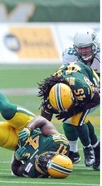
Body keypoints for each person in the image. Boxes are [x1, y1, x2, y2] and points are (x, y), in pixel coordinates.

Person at [38, 61, 100, 170]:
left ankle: (89, 148)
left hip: (93, 85)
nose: (64, 110)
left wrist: (74, 110)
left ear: (73, 96)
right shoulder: (49, 95)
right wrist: (39, 143)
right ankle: (74, 152)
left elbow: (96, 99)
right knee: (68, 120)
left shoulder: (82, 89)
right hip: (69, 78)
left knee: (77, 120)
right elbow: (43, 121)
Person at [60, 28, 100, 169]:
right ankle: (93, 150)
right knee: (69, 116)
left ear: (94, 45)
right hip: (79, 88)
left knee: (75, 117)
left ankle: (82, 150)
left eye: (87, 47)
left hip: (97, 91)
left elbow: (96, 96)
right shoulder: (70, 56)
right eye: (81, 48)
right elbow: (64, 78)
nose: (84, 51)